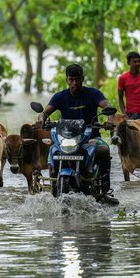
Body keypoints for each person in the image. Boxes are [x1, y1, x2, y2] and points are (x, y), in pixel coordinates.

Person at [38, 63, 119, 205]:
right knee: (53, 151)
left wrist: (109, 120)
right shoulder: (60, 97)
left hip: (90, 138)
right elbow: (45, 112)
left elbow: (107, 106)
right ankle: (53, 188)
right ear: (66, 80)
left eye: (77, 79)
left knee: (104, 150)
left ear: (82, 79)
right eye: (71, 80)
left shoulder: (93, 94)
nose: (74, 83)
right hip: (65, 140)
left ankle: (104, 192)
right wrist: (41, 120)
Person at [117, 51, 140, 119]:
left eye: (139, 61)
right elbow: (120, 98)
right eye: (134, 62)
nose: (137, 64)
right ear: (128, 63)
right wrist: (125, 115)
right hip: (130, 115)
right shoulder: (122, 78)